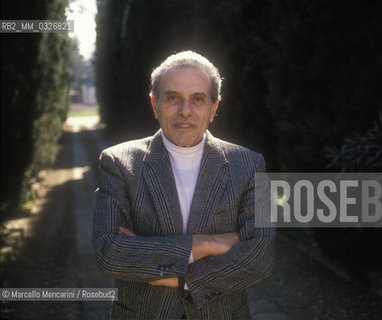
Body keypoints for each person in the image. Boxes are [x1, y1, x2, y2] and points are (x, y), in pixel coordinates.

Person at [92, 50, 275, 319]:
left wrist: (174, 278)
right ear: (154, 104)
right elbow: (109, 252)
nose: (185, 111)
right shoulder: (118, 163)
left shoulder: (249, 165)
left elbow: (260, 258)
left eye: (198, 99)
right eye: (173, 98)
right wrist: (203, 244)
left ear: (214, 108)